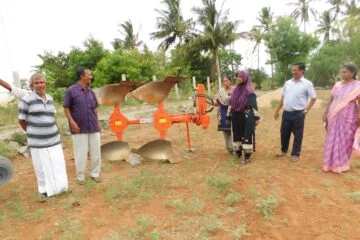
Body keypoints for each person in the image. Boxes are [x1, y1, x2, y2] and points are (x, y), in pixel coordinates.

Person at [18, 73, 68, 202]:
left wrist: (57, 133)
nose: (40, 85)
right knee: (41, 166)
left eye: (42, 82)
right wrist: (32, 132)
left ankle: (61, 187)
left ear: (45, 84)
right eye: (37, 83)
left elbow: (52, 117)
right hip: (37, 141)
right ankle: (44, 190)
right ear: (32, 85)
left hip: (54, 139)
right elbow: (22, 120)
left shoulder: (50, 98)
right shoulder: (26, 100)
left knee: (57, 163)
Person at [63, 67, 102, 185]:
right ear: (82, 76)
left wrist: (98, 123)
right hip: (78, 128)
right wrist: (72, 122)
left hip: (93, 126)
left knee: (96, 152)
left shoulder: (91, 92)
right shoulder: (71, 91)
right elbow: (66, 108)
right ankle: (80, 177)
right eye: (89, 75)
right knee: (81, 153)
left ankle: (95, 174)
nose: (91, 76)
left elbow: (94, 109)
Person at [274, 62, 317, 162]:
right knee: (284, 133)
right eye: (292, 70)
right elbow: (283, 97)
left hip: (298, 113)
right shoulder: (288, 83)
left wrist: (306, 110)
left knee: (298, 135)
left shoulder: (307, 84)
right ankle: (283, 150)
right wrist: (277, 109)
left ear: (302, 71)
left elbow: (314, 98)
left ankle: (295, 154)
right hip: (286, 113)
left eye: (295, 70)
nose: (293, 72)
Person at [323, 64, 360, 173]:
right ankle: (329, 164)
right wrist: (326, 112)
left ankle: (342, 164)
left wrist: (359, 116)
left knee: (346, 139)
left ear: (353, 73)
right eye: (342, 72)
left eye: (345, 72)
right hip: (333, 114)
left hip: (349, 115)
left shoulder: (357, 85)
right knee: (332, 138)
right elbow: (331, 99)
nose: (343, 74)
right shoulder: (337, 85)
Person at [227, 70, 259, 164]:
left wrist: (256, 118)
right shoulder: (235, 91)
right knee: (236, 134)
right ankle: (238, 152)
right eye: (237, 77)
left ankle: (247, 156)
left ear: (245, 78)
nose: (238, 78)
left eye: (240, 77)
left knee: (246, 135)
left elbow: (254, 106)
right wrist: (228, 116)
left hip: (246, 116)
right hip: (236, 116)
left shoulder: (249, 91)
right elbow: (231, 104)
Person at [216, 76, 234, 153]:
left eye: (227, 81)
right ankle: (228, 147)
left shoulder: (234, 91)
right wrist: (218, 114)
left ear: (230, 82)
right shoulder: (221, 91)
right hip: (223, 112)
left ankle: (232, 147)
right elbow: (218, 103)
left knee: (232, 131)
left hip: (232, 113)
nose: (225, 82)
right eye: (224, 81)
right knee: (225, 130)